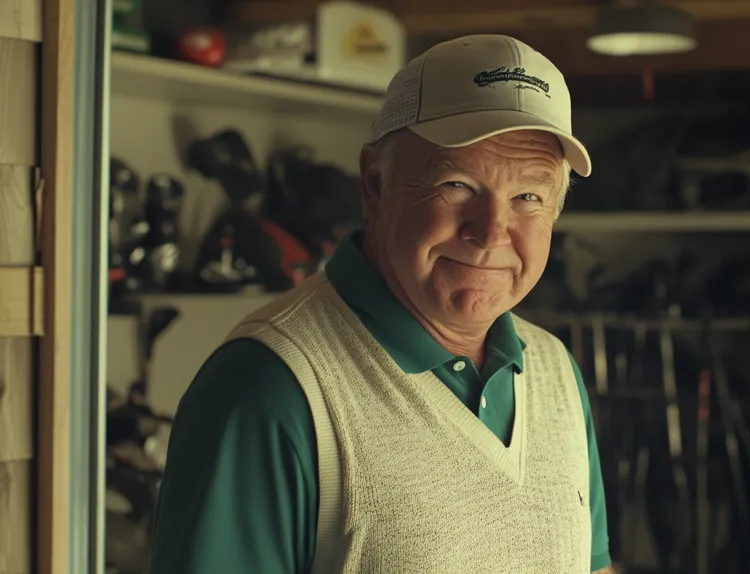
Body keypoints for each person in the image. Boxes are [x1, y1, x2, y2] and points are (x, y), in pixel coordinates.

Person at [149, 34, 613, 573]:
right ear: (374, 183)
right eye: (458, 184)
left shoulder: (554, 370)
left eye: (528, 196)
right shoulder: (270, 385)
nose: (491, 233)